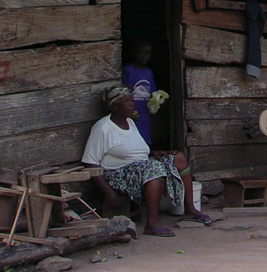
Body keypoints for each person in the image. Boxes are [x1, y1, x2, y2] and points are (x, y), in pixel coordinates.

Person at [82, 85, 213, 237]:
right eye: (127, 101)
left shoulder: (130, 123)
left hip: (142, 167)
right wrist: (109, 192)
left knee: (179, 158)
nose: (132, 104)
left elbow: (136, 150)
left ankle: (189, 209)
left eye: (132, 100)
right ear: (115, 106)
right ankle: (151, 225)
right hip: (118, 175)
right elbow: (89, 162)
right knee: (154, 168)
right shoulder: (103, 128)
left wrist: (156, 153)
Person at [122, 39, 156, 146]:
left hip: (145, 113)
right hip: (132, 113)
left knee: (144, 141)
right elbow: (123, 91)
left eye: (147, 53)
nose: (144, 56)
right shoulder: (128, 70)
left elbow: (153, 93)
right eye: (141, 53)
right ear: (134, 53)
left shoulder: (148, 72)